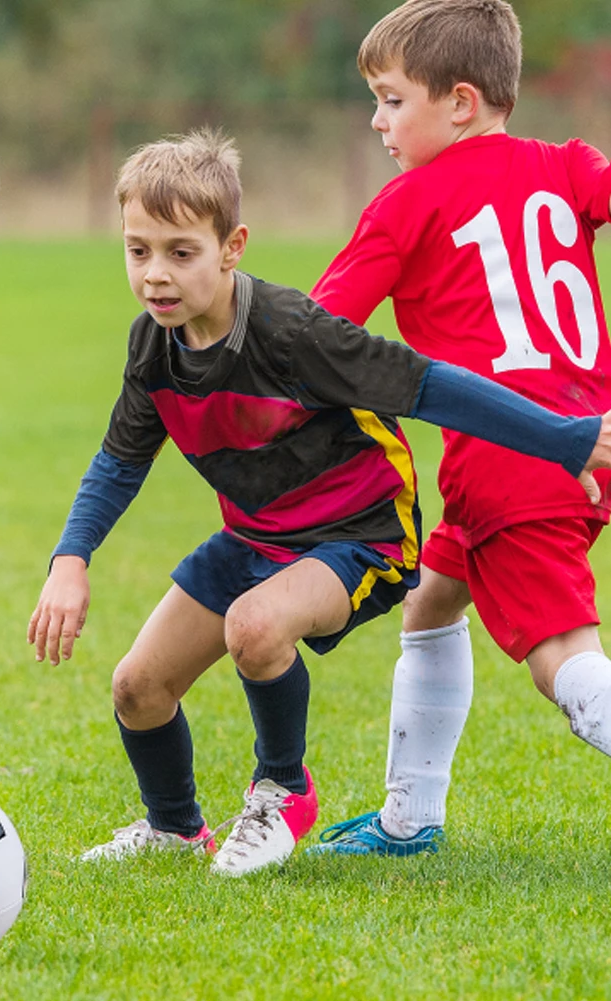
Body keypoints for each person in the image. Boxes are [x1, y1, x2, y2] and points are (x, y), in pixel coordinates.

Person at [27, 128, 611, 878]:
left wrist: (565, 438)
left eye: (180, 252)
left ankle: (282, 791)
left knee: (255, 626)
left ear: (231, 247)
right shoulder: (154, 347)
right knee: (137, 687)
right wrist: (70, 559)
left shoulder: (292, 334)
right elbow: (119, 461)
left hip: (360, 534)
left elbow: (432, 387)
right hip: (257, 537)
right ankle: (173, 827)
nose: (155, 275)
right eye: (137, 251)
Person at [307, 0, 611, 857]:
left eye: (391, 100)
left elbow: (319, 332)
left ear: (461, 102)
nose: (377, 121)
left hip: (509, 462)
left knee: (562, 655)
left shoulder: (406, 202)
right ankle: (409, 818)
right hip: (591, 434)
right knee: (432, 597)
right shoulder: (567, 162)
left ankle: (409, 819)